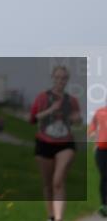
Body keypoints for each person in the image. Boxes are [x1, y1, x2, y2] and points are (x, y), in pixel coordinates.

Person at [30, 65, 83, 221]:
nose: (60, 80)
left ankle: (59, 218)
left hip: (65, 143)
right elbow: (33, 118)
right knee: (47, 184)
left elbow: (77, 119)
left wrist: (77, 119)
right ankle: (51, 216)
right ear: (52, 78)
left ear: (67, 80)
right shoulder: (42, 97)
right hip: (44, 142)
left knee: (58, 181)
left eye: (64, 78)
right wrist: (51, 110)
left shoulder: (72, 100)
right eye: (58, 77)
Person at [89, 101, 107, 217]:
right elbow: (93, 125)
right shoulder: (100, 112)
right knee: (104, 176)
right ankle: (104, 205)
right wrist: (92, 133)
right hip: (102, 149)